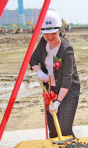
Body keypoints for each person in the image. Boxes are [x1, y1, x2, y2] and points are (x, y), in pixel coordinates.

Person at [29, 10, 80, 138]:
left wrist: (58, 102)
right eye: (46, 33)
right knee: (53, 129)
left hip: (68, 91)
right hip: (50, 89)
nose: (49, 37)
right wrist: (39, 72)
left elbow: (67, 78)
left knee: (64, 128)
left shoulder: (66, 49)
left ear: (59, 30)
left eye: (53, 33)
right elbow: (33, 59)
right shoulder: (43, 42)